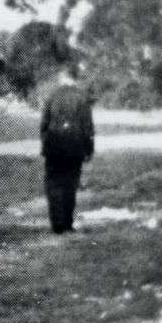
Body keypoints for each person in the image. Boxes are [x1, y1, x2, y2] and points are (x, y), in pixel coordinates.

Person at [39, 62, 94, 234]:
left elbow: (44, 124)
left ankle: (57, 224)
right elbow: (87, 126)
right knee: (70, 185)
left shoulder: (52, 96)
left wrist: (46, 143)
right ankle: (68, 223)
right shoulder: (82, 97)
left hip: (54, 147)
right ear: (75, 78)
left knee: (54, 185)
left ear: (62, 77)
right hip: (75, 147)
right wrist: (89, 148)